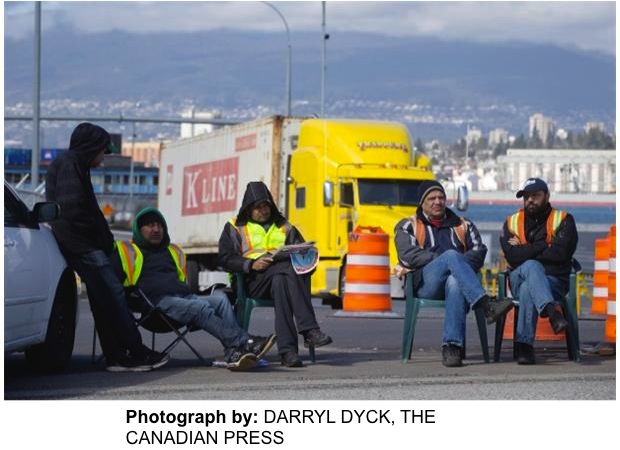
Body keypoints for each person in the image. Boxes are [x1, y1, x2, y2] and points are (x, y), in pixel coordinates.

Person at [46, 122, 168, 372]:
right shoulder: (71, 164)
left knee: (102, 301)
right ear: (91, 148)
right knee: (114, 297)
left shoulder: (75, 164)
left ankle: (116, 356)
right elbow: (74, 210)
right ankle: (136, 352)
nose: (104, 157)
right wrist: (100, 240)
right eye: (103, 151)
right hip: (84, 246)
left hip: (83, 244)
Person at [111, 206, 277, 371]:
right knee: (199, 307)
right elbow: (114, 287)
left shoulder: (173, 250)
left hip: (182, 299)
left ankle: (233, 353)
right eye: (150, 226)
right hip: (154, 305)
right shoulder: (128, 250)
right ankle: (244, 342)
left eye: (159, 225)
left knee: (220, 299)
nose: (156, 229)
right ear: (139, 230)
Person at [395, 180, 514, 367]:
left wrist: (456, 266)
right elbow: (408, 255)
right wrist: (445, 260)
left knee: (455, 281)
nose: (437, 202)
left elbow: (478, 252)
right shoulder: (408, 225)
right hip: (425, 284)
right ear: (422, 203)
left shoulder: (463, 225)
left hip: (459, 286)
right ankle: (485, 305)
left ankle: (452, 349)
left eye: (441, 197)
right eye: (432, 198)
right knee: (451, 256)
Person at [218, 181, 333, 368]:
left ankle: (288, 352)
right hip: (251, 282)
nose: (263, 211)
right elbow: (224, 258)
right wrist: (251, 264)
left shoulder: (286, 227)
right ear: (248, 210)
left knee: (282, 280)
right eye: (257, 207)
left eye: (266, 206)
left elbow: (303, 257)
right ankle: (309, 330)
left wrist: (308, 257)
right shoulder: (234, 227)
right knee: (287, 269)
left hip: (279, 282)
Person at [500, 178, 577, 364]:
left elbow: (561, 254)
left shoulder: (564, 220)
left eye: (535, 195)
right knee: (531, 269)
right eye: (526, 197)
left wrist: (525, 250)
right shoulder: (512, 222)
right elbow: (511, 256)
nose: (530, 200)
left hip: (555, 281)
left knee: (529, 285)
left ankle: (525, 348)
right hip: (518, 279)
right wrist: (544, 246)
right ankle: (551, 312)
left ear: (547, 196)